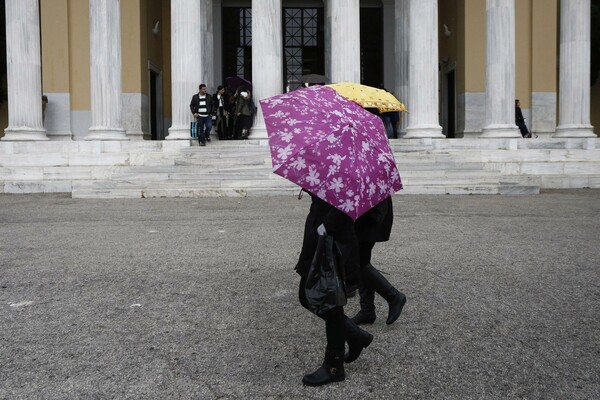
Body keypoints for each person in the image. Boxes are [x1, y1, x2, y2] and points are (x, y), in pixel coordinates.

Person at [295, 191, 373, 386]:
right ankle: (355, 336)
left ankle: (334, 365)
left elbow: (346, 202)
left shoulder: (345, 172)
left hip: (332, 241)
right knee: (307, 297)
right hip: (319, 236)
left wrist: (327, 225)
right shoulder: (330, 167)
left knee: (328, 302)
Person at [351, 197, 407, 325]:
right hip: (367, 211)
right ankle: (367, 310)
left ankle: (394, 296)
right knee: (362, 261)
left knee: (359, 262)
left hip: (369, 213)